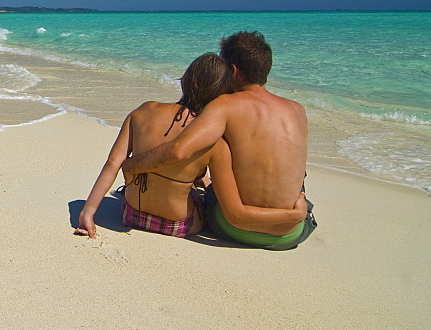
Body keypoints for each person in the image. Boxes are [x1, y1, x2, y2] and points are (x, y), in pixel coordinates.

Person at [75, 53, 307, 239]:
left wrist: (88, 212)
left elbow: (113, 163)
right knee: (206, 190)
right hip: (180, 226)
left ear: (185, 80)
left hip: (130, 215)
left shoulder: (142, 111)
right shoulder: (213, 141)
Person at [121, 31, 317, 250]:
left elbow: (179, 151)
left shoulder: (225, 104)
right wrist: (295, 214)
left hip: (234, 228)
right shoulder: (297, 110)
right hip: (291, 234)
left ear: (232, 71)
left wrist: (131, 165)